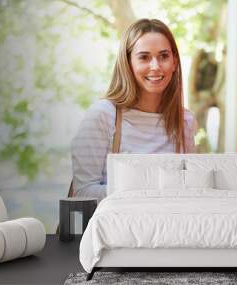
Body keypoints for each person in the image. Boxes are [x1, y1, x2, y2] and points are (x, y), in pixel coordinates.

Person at [71, 18, 196, 201]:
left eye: (164, 56)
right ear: (128, 63)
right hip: (116, 228)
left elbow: (189, 188)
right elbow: (83, 193)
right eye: (144, 57)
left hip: (169, 227)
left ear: (175, 62)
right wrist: (150, 192)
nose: (155, 66)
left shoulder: (184, 120)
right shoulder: (103, 116)